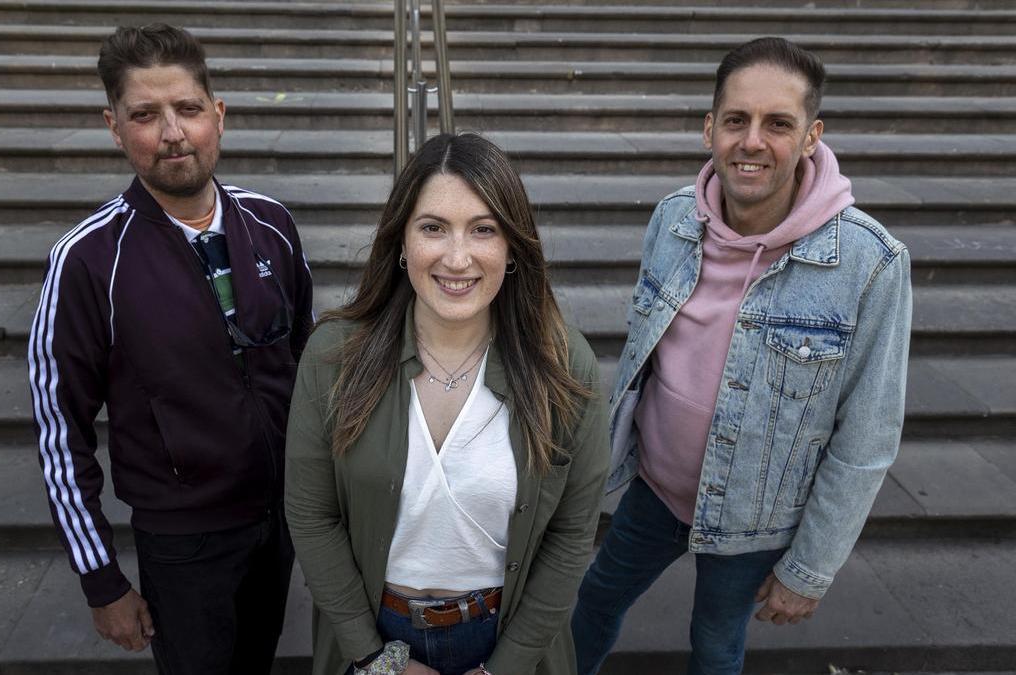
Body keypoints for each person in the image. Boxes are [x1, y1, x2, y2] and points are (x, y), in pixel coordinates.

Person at [571, 36, 913, 674]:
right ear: (710, 129)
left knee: (715, 645)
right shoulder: (673, 219)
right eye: (737, 120)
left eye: (777, 124)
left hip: (754, 518)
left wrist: (810, 568)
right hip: (654, 490)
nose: (752, 141)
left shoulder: (871, 263)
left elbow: (867, 436)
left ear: (811, 136)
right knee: (591, 605)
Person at [26, 23, 313, 674]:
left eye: (187, 109)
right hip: (183, 542)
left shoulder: (273, 223)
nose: (173, 133)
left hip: (280, 521)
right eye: (146, 115)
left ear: (218, 115)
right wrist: (101, 578)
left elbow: (308, 361)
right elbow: (58, 431)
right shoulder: (87, 259)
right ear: (114, 126)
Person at [285, 133, 609, 675]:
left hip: (507, 639)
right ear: (401, 243)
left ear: (512, 249)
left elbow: (572, 533)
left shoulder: (562, 363)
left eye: (483, 230)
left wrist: (505, 668)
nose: (457, 258)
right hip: (373, 633)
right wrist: (374, 658)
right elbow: (312, 515)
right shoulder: (334, 355)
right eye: (433, 227)